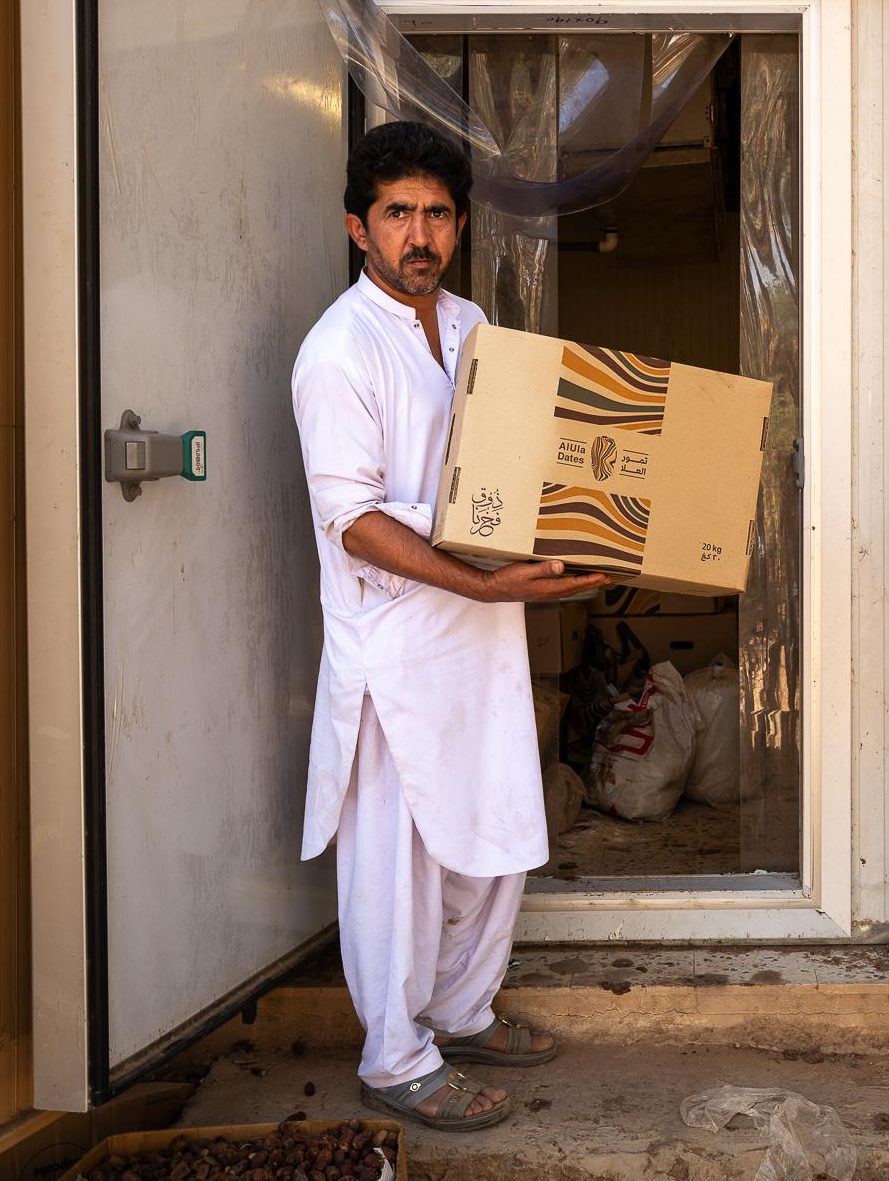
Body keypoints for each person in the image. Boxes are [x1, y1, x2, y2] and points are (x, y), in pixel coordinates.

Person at [290, 121, 607, 1130]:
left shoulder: (472, 326)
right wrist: (475, 585)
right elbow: (353, 519)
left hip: (482, 635)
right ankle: (395, 1056)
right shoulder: (338, 352)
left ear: (458, 225)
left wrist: (588, 530)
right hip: (397, 643)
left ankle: (463, 1008)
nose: (416, 235)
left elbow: (514, 470)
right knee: (398, 855)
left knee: (494, 829)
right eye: (396, 215)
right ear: (357, 228)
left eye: (434, 214)